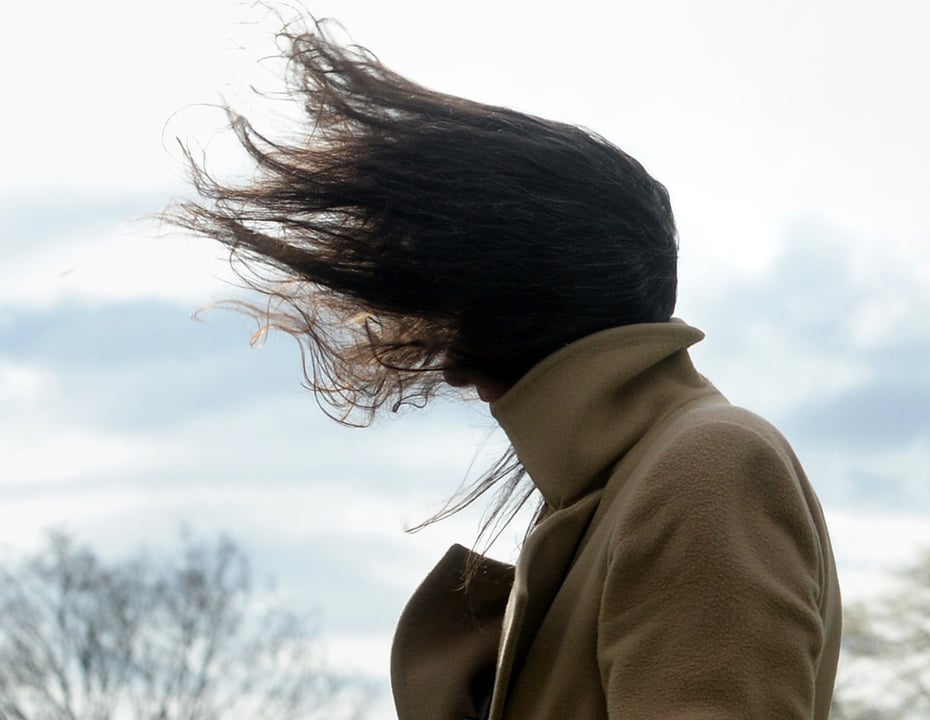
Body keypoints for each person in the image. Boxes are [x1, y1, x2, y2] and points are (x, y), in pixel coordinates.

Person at [171, 18, 842, 720]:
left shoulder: (706, 466)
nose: (415, 314)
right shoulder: (614, 487)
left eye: (428, 269)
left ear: (501, 283)